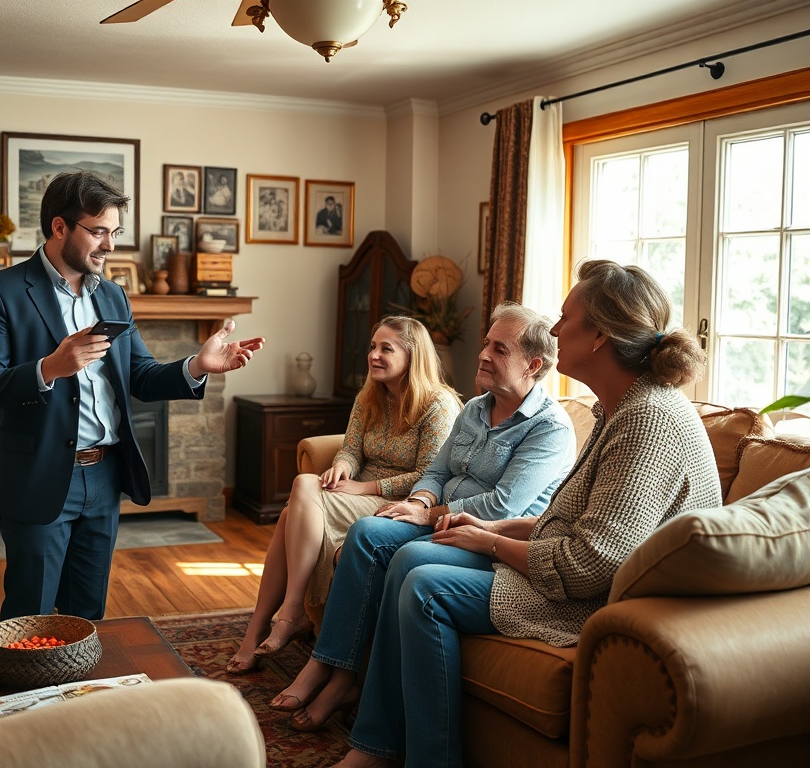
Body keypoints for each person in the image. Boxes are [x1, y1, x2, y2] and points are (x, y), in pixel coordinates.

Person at [321, 260, 722, 768]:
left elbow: (587, 565)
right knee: (407, 563)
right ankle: (375, 747)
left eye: (566, 318)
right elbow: (575, 523)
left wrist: (488, 540)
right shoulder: (617, 407)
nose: (555, 331)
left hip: (606, 602)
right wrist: (490, 527)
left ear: (599, 336)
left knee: (423, 584)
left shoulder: (648, 421)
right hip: (574, 571)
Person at [0, 170, 265, 622]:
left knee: (88, 615)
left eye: (115, 233)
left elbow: (139, 375)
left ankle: (81, 674)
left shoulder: (113, 297)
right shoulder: (1, 291)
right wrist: (50, 368)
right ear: (59, 227)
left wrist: (197, 366)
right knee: (30, 618)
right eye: (99, 231)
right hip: (38, 476)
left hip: (104, 477)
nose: (110, 245)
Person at [271, 302, 576, 719]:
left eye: (499, 349)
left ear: (533, 365)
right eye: (486, 343)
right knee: (365, 531)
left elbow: (502, 505)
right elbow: (436, 471)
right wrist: (417, 502)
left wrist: (426, 515)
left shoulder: (548, 427)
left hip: (486, 538)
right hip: (437, 518)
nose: (483, 354)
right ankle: (330, 666)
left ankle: (339, 679)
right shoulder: (475, 408)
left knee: (396, 551)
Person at [226, 316, 462, 674]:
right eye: (372, 346)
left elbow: (429, 476)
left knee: (298, 495)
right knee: (296, 502)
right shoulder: (370, 396)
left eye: (386, 349)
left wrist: (364, 487)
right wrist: (343, 467)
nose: (374, 355)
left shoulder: (438, 405)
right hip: (355, 492)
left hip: (398, 504)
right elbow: (351, 448)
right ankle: (267, 623)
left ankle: (286, 614)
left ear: (413, 357)